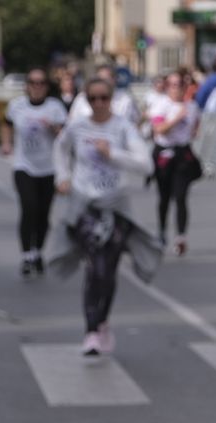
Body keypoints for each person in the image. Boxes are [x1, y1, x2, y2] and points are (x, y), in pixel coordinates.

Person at [49, 77, 157, 356]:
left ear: (111, 100)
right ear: (86, 100)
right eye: (93, 98)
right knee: (94, 266)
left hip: (116, 208)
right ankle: (91, 330)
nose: (98, 103)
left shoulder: (122, 127)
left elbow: (145, 164)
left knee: (107, 270)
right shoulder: (78, 127)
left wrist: (114, 154)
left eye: (104, 98)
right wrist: (62, 177)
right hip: (86, 205)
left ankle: (103, 321)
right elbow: (60, 149)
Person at [2, 67, 68, 279]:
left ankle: (38, 251)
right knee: (28, 208)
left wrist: (54, 128)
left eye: (41, 83)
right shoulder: (17, 106)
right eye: (33, 82)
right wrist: (6, 143)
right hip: (24, 166)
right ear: (27, 86)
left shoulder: (55, 107)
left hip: (48, 168)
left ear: (47, 87)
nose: (36, 87)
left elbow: (66, 137)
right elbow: (6, 124)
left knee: (43, 215)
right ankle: (26, 256)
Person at [149, 71, 201, 255]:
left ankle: (181, 237)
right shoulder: (160, 105)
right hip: (164, 153)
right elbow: (159, 129)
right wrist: (177, 118)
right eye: (173, 84)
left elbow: (196, 126)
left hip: (182, 154)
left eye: (181, 84)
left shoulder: (192, 106)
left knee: (181, 196)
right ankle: (162, 231)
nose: (177, 88)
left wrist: (191, 131)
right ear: (167, 86)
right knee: (164, 197)